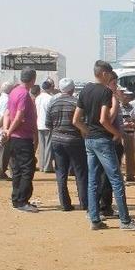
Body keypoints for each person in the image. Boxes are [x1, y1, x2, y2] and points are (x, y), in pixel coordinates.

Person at [73, 60, 135, 231]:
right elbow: (103, 119)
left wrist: (88, 132)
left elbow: (76, 120)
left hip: (90, 141)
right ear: (105, 74)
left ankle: (94, 219)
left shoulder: (85, 90)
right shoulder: (105, 92)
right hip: (103, 140)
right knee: (116, 180)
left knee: (93, 181)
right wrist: (116, 133)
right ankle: (125, 221)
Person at [47, 78, 88, 211]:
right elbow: (83, 121)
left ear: (59, 89)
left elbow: (48, 124)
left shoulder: (52, 103)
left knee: (61, 172)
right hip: (75, 140)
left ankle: (64, 204)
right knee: (80, 172)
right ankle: (84, 203)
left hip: (57, 140)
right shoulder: (77, 103)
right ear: (72, 89)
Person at [2, 68, 39, 213]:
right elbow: (18, 115)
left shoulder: (14, 92)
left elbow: (7, 113)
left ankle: (17, 199)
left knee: (17, 169)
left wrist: (6, 131)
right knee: (27, 169)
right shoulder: (23, 94)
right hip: (22, 137)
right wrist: (9, 131)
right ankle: (22, 201)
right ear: (33, 79)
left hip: (14, 137)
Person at [96, 75, 127, 217]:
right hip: (110, 142)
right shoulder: (108, 99)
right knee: (107, 177)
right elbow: (108, 119)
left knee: (107, 177)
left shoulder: (110, 98)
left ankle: (105, 207)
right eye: (114, 83)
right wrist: (115, 102)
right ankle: (103, 207)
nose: (116, 86)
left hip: (113, 142)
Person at [0, 82, 16, 179]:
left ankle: (13, 173)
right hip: (4, 128)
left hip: (1, 128)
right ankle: (1, 173)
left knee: (9, 152)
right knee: (5, 152)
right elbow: (4, 115)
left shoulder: (0, 99)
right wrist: (4, 129)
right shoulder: (7, 99)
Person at [35, 80, 55, 173]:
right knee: (49, 146)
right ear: (50, 87)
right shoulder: (50, 98)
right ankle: (48, 166)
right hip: (48, 124)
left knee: (42, 146)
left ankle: (42, 165)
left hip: (39, 123)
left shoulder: (38, 98)